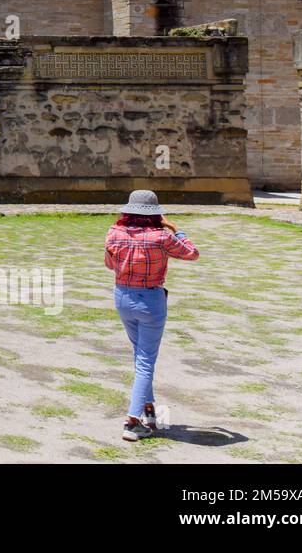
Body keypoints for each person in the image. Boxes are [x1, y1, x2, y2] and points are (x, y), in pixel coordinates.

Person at [104, 189, 200, 442]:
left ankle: (149, 411)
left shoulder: (114, 232)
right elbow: (192, 253)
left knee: (140, 356)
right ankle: (132, 422)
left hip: (123, 296)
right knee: (146, 361)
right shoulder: (161, 237)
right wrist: (177, 230)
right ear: (156, 214)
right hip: (150, 300)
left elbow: (109, 264)